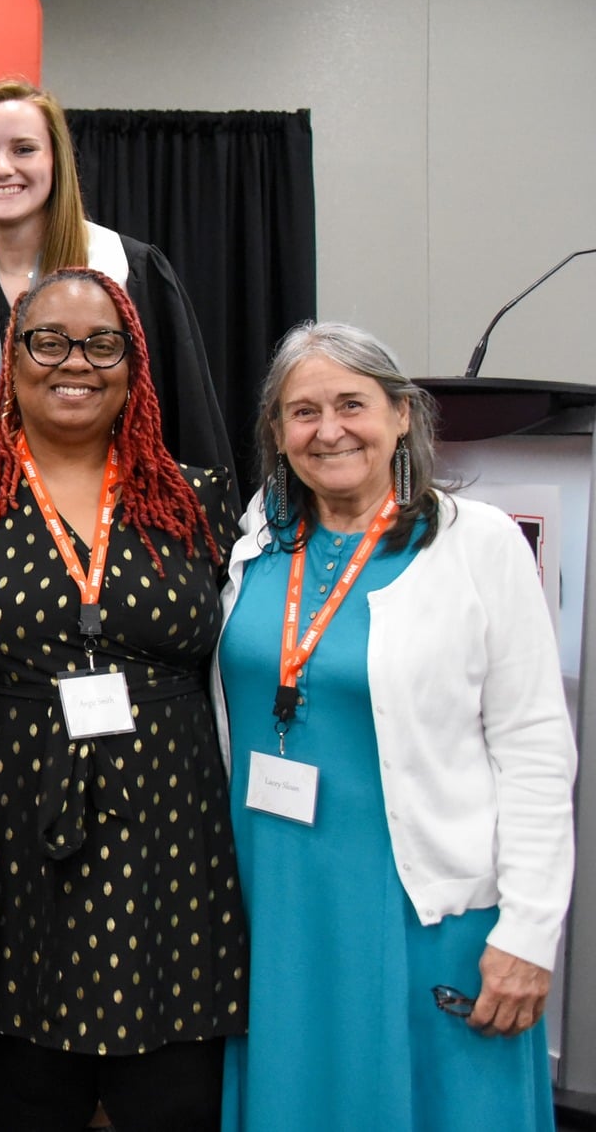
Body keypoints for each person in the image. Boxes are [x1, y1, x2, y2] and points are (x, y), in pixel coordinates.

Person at [215, 323, 574, 1132]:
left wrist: (528, 931)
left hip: (423, 917)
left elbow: (536, 752)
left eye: (353, 404)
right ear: (277, 432)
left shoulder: (477, 545)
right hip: (278, 910)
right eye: (302, 411)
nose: (329, 428)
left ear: (402, 414)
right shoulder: (259, 540)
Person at [0, 268, 246, 1131]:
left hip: (174, 849)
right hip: (16, 844)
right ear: (13, 360)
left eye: (102, 342)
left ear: (134, 362)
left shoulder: (202, 498)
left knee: (176, 1102)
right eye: (49, 340)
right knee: (32, 1102)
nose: (77, 361)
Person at [0, 77, 234, 478]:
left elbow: (186, 422)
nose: (2, 168)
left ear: (55, 161)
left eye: (24, 149)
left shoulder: (130, 270)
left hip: (117, 506)